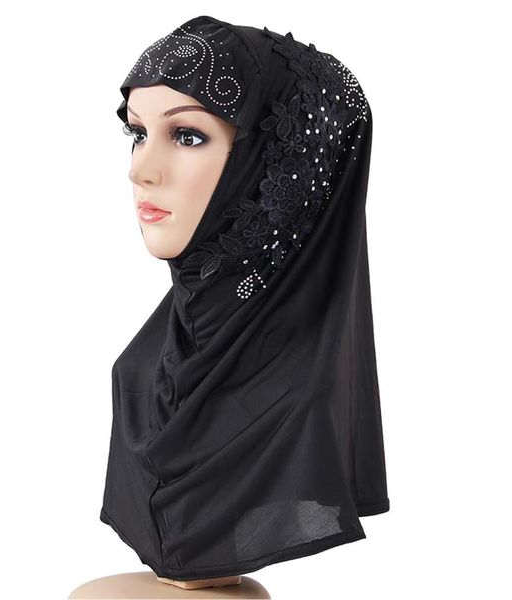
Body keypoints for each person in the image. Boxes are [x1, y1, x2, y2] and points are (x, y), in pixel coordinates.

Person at [100, 15, 390, 590]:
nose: (140, 170)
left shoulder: (295, 400)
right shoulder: (146, 363)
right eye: (138, 133)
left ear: (274, 163)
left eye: (187, 136)